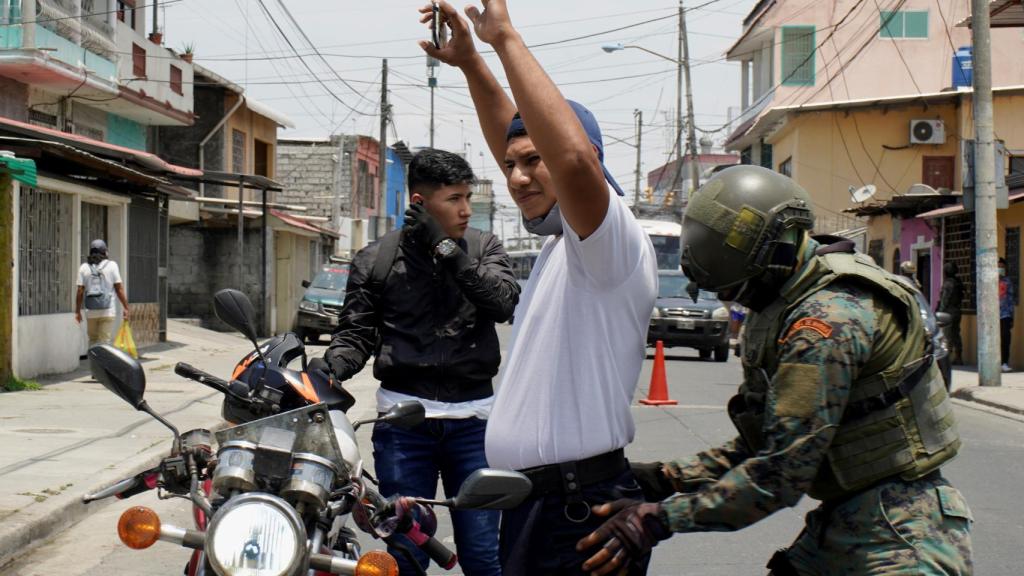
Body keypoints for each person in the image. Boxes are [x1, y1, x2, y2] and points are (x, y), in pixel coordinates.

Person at [578, 166, 972, 576]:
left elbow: (780, 472)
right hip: (848, 519)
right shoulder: (791, 298)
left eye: (739, 290)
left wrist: (659, 519)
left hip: (901, 537)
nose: (739, 302)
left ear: (767, 258)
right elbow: (764, 442)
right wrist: (665, 477)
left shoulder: (825, 322)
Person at [419, 2, 658, 574]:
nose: (518, 177)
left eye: (534, 162)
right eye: (509, 166)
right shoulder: (562, 246)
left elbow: (571, 158)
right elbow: (519, 133)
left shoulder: (609, 239)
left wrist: (504, 39)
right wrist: (473, 64)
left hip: (576, 514)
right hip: (540, 507)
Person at [325, 148, 519, 576]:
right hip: (403, 427)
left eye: (468, 197)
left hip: (475, 426)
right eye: (454, 199)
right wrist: (330, 368)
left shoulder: (484, 248)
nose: (467, 209)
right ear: (419, 203)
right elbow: (356, 335)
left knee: (484, 556)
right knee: (405, 557)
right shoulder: (375, 259)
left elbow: (502, 302)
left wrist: (448, 250)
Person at [75, 239, 129, 347]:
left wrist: (77, 311)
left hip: (91, 312)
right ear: (105, 252)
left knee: (93, 341)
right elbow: (119, 289)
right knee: (104, 343)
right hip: (108, 311)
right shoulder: (112, 265)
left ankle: (93, 363)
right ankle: (103, 364)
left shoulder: (84, 268)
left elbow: (80, 291)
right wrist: (126, 307)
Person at [937, 261, 964, 365]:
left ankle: (947, 358)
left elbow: (945, 300)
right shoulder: (958, 282)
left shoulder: (948, 283)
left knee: (947, 335)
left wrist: (940, 311)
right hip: (957, 311)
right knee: (956, 334)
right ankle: (958, 357)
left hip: (949, 312)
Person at [999, 257, 1014, 372]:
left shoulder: (1007, 281)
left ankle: (1004, 362)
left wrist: (1011, 315)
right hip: (991, 316)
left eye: (1002, 267)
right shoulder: (988, 281)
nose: (1000, 269)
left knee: (1005, 338)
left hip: (1005, 314)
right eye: (998, 267)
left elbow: (1010, 299)